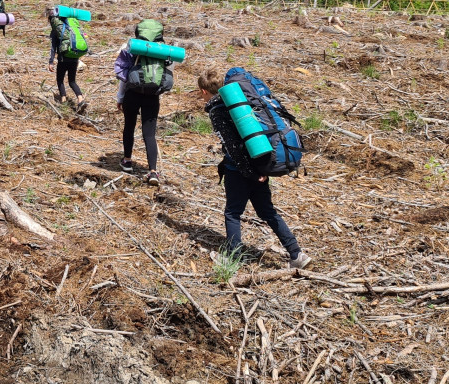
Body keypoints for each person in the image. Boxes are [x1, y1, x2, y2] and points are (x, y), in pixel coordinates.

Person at [197, 70, 312, 270]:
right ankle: (297, 254)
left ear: (204, 91)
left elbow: (232, 146)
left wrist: (251, 173)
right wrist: (260, 171)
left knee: (232, 213)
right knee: (267, 211)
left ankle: (233, 258)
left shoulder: (217, 110)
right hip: (261, 162)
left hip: (240, 170)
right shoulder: (240, 102)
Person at [113, 20, 170, 185]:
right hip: (152, 96)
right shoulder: (164, 50)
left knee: (129, 127)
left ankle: (127, 161)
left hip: (132, 93)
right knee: (149, 134)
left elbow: (123, 75)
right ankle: (153, 171)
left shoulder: (132, 46)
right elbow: (167, 72)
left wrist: (120, 98)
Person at [45, 8, 85, 109]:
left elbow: (53, 47)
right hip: (74, 58)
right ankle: (80, 98)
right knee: (72, 81)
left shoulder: (57, 31)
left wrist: (51, 62)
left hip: (63, 59)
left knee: (60, 80)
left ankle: (63, 100)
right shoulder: (70, 28)